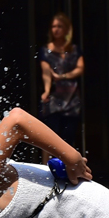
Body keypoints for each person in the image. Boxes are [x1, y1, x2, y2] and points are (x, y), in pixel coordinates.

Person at [38, 13, 84, 153]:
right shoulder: (46, 50)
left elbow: (80, 68)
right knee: (50, 138)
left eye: (59, 26)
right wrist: (46, 90)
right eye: (53, 26)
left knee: (68, 137)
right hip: (54, 98)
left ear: (66, 29)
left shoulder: (74, 50)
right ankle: (47, 165)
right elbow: (46, 72)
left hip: (71, 98)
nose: (56, 29)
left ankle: (66, 165)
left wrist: (63, 76)